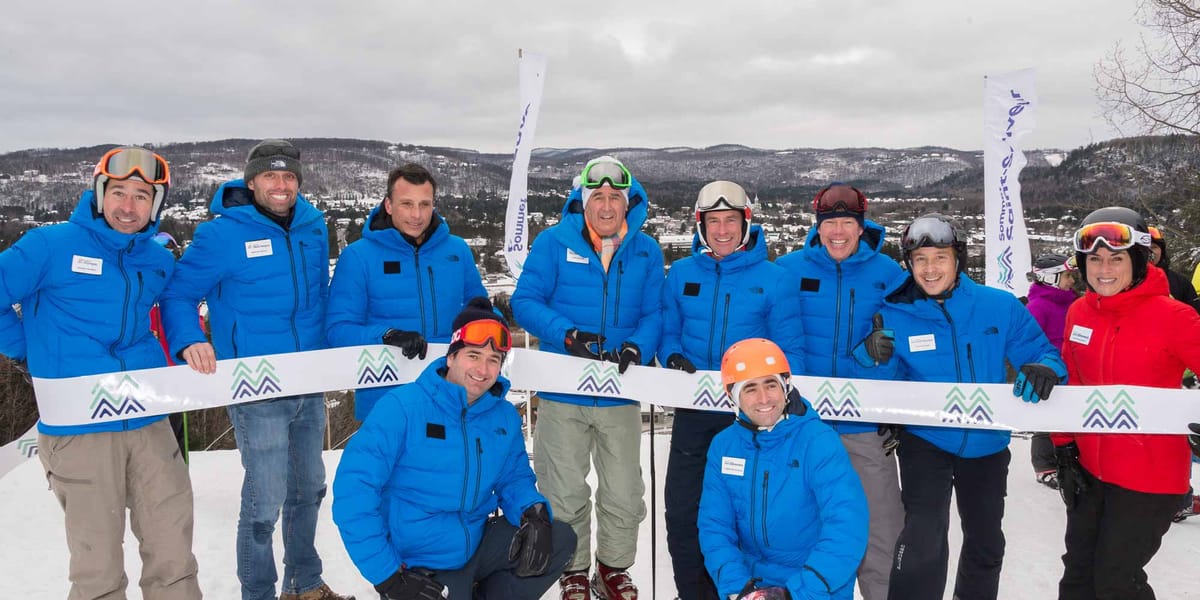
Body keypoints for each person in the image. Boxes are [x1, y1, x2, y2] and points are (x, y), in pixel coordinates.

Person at [0, 147, 201, 598]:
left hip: (149, 418)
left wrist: (190, 339)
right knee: (99, 570)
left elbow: (177, 302)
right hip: (80, 426)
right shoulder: (49, 245)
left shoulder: (156, 258)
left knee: (174, 559)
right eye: (119, 193)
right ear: (98, 193)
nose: (129, 207)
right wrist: (27, 353)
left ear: (157, 205)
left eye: (142, 196)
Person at [160, 139, 352, 600]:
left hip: (307, 379)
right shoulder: (222, 234)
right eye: (271, 176)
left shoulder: (311, 227)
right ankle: (259, 592)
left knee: (309, 489)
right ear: (252, 182)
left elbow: (320, 298)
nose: (281, 185)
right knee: (265, 500)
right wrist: (190, 339)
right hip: (255, 386)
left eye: (289, 178)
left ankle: (303, 583)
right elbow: (178, 294)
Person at [855, 213, 1066, 600]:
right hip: (927, 442)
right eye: (920, 260)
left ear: (958, 260)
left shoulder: (998, 306)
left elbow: (1041, 351)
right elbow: (885, 387)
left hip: (986, 444)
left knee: (986, 545)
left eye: (940, 257)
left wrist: (1045, 368)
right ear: (909, 264)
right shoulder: (895, 314)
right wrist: (870, 357)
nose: (930, 269)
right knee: (922, 542)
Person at [332, 297, 577, 600]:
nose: (483, 369)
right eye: (473, 355)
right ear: (451, 357)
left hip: (475, 544)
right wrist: (388, 577)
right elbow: (352, 494)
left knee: (559, 537)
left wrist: (533, 511)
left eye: (493, 360)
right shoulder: (402, 408)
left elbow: (513, 477)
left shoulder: (501, 416)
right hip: (418, 562)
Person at [511, 155, 664, 600]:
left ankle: (612, 569)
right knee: (563, 486)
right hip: (563, 388)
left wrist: (639, 345)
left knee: (623, 489)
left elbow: (655, 312)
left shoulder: (646, 250)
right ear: (583, 199)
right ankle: (573, 567)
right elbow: (525, 301)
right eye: (597, 195)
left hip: (621, 391)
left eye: (615, 196)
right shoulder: (553, 243)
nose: (606, 204)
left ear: (628, 201)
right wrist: (567, 334)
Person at [659, 180, 805, 600]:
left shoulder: (773, 279)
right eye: (713, 221)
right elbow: (669, 329)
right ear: (700, 225)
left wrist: (787, 408)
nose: (722, 231)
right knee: (685, 516)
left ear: (747, 223)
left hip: (749, 420)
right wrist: (670, 356)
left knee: (741, 518)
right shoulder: (682, 273)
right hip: (694, 415)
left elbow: (790, 350)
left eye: (731, 221)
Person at [1053, 206, 1200, 599]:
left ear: (1136, 261)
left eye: (1116, 259)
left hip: (1149, 477)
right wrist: (1064, 446)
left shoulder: (1174, 316)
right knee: (1077, 577)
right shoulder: (1079, 312)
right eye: (1094, 259)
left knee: (1116, 580)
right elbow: (1070, 383)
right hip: (1090, 468)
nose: (1104, 269)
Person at [774, 182, 903, 600]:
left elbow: (903, 351)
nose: (839, 232)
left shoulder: (889, 275)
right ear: (818, 226)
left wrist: (890, 403)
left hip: (862, 426)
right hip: (802, 425)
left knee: (878, 528)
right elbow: (775, 336)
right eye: (830, 223)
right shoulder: (791, 270)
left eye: (848, 223)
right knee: (806, 530)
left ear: (862, 226)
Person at [698, 338, 867, 600]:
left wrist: (794, 594)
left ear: (785, 387)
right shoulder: (724, 447)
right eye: (750, 388)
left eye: (771, 384)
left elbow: (847, 525)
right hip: (752, 585)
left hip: (816, 587)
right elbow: (715, 526)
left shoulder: (818, 441)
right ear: (733, 397)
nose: (764, 398)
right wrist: (738, 588)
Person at [325, 162, 486, 420]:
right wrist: (388, 335)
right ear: (388, 205)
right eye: (407, 204)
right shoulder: (358, 257)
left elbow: (479, 310)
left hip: (450, 393)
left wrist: (494, 323)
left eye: (424, 204)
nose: (417, 215)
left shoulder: (456, 251)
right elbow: (338, 330)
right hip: (386, 399)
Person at [1023, 253, 1079, 490]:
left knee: (1068, 417)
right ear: (1051, 278)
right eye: (1067, 276)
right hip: (1049, 371)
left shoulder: (1072, 302)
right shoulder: (1039, 306)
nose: (1072, 281)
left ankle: (1067, 460)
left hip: (1073, 369)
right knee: (1047, 419)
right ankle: (1044, 465)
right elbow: (1029, 342)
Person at [1147, 225, 1200, 314]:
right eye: (1144, 248)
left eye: (1154, 247)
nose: (1149, 252)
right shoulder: (1125, 281)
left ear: (1162, 251)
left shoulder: (1180, 282)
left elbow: (1195, 316)